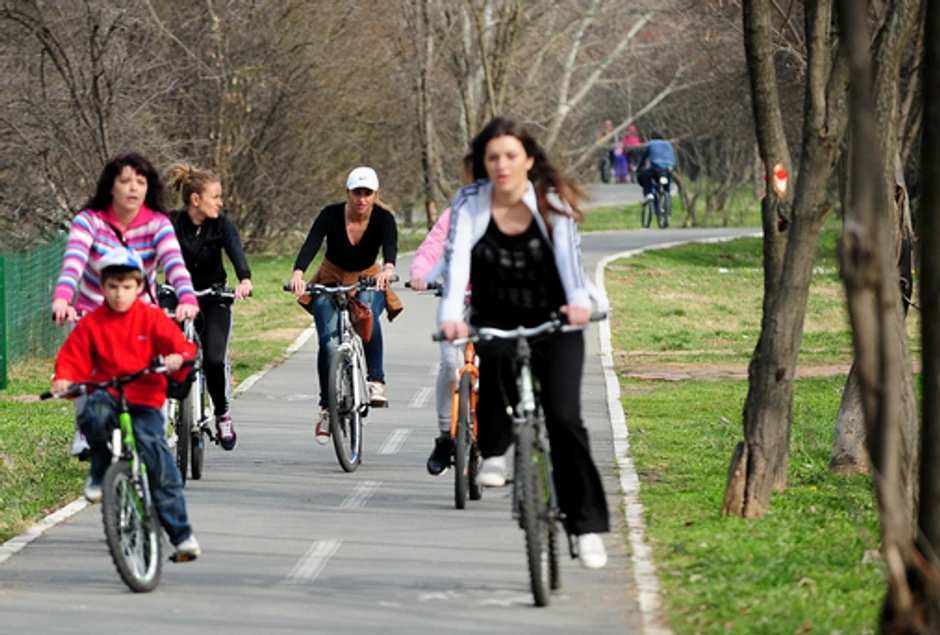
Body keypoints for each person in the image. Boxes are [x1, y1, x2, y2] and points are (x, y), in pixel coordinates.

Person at [438, 116, 610, 569]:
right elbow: (456, 265)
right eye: (492, 157)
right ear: (482, 163)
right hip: (496, 316)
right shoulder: (470, 202)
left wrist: (579, 305)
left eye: (511, 156)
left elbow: (572, 268)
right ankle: (493, 451)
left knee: (565, 420)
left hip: (555, 319)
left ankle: (587, 525)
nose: (501, 165)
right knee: (490, 363)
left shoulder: (551, 204)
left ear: (528, 160)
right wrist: (451, 317)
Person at [50, 248, 201, 560]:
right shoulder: (92, 323)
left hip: (145, 398)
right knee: (94, 414)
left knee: (159, 464)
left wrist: (178, 358)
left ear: (140, 287)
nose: (120, 294)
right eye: (113, 287)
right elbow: (71, 359)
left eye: (127, 287)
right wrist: (63, 378)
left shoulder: (152, 318)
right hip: (107, 392)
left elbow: (183, 348)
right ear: (103, 287)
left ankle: (182, 535)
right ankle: (101, 467)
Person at [52, 152, 199, 458]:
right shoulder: (89, 221)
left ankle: (154, 430)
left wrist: (186, 298)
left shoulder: (158, 224)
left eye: (140, 182)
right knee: (85, 363)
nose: (133, 188)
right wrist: (63, 299)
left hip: (141, 313)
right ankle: (85, 428)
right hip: (94, 311)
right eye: (125, 181)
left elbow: (175, 265)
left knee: (151, 368)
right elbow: (73, 265)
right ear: (110, 187)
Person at [289, 167, 403, 444]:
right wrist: (298, 274)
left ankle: (376, 380)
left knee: (368, 317)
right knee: (329, 343)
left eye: (367, 193)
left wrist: (388, 269)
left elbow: (390, 246)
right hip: (330, 278)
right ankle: (327, 409)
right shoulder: (331, 214)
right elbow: (312, 243)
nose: (361, 199)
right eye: (356, 193)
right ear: (347, 193)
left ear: (375, 195)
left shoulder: (383, 218)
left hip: (367, 278)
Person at [167, 164, 253, 451]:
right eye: (215, 197)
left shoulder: (222, 225)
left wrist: (244, 279)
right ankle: (163, 409)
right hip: (176, 296)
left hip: (212, 297)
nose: (220, 202)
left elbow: (235, 250)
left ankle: (221, 413)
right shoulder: (171, 223)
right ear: (195, 200)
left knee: (215, 360)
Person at [637, 132, 677, 198]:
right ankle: (668, 193)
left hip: (656, 167)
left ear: (651, 138)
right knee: (668, 180)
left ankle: (648, 193)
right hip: (669, 167)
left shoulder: (651, 144)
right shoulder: (668, 144)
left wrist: (639, 168)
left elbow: (643, 158)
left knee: (646, 174)